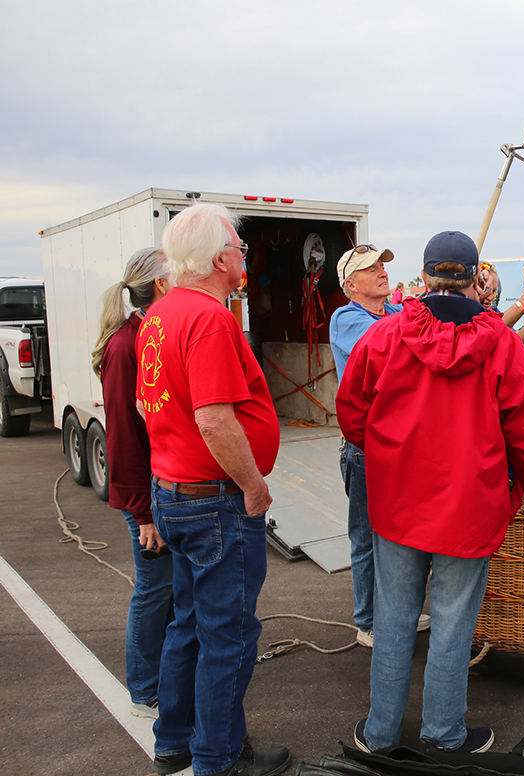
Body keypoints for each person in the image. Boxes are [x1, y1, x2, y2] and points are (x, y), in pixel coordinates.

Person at [336, 230, 524, 755]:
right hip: (470, 506)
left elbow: (352, 413)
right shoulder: (502, 343)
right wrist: (521, 482)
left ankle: (381, 734)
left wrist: (389, 456)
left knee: (392, 621)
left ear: (427, 274)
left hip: (398, 503)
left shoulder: (383, 337)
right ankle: (443, 737)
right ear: (475, 278)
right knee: (453, 626)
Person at [137, 203, 289, 776]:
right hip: (214, 500)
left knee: (188, 624)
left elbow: (150, 404)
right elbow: (215, 419)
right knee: (227, 635)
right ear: (222, 257)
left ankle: (175, 740)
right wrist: (253, 486)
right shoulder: (210, 318)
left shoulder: (159, 316)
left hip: (173, 492)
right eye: (241, 249)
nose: (244, 257)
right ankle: (218, 758)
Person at [328, 244, 429, 648]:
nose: (382, 272)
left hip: (398, 444)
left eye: (382, 265)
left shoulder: (394, 313)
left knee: (402, 534)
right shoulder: (346, 319)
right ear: (351, 285)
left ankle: (397, 611)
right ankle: (367, 622)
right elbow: (393, 351)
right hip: (365, 447)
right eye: (370, 269)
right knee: (367, 537)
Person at [91, 247, 174, 719]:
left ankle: (161, 677)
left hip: (161, 488)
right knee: (154, 588)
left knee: (166, 588)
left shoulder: (149, 334)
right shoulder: (127, 346)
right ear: (159, 285)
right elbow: (124, 434)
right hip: (147, 497)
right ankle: (144, 690)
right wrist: (143, 514)